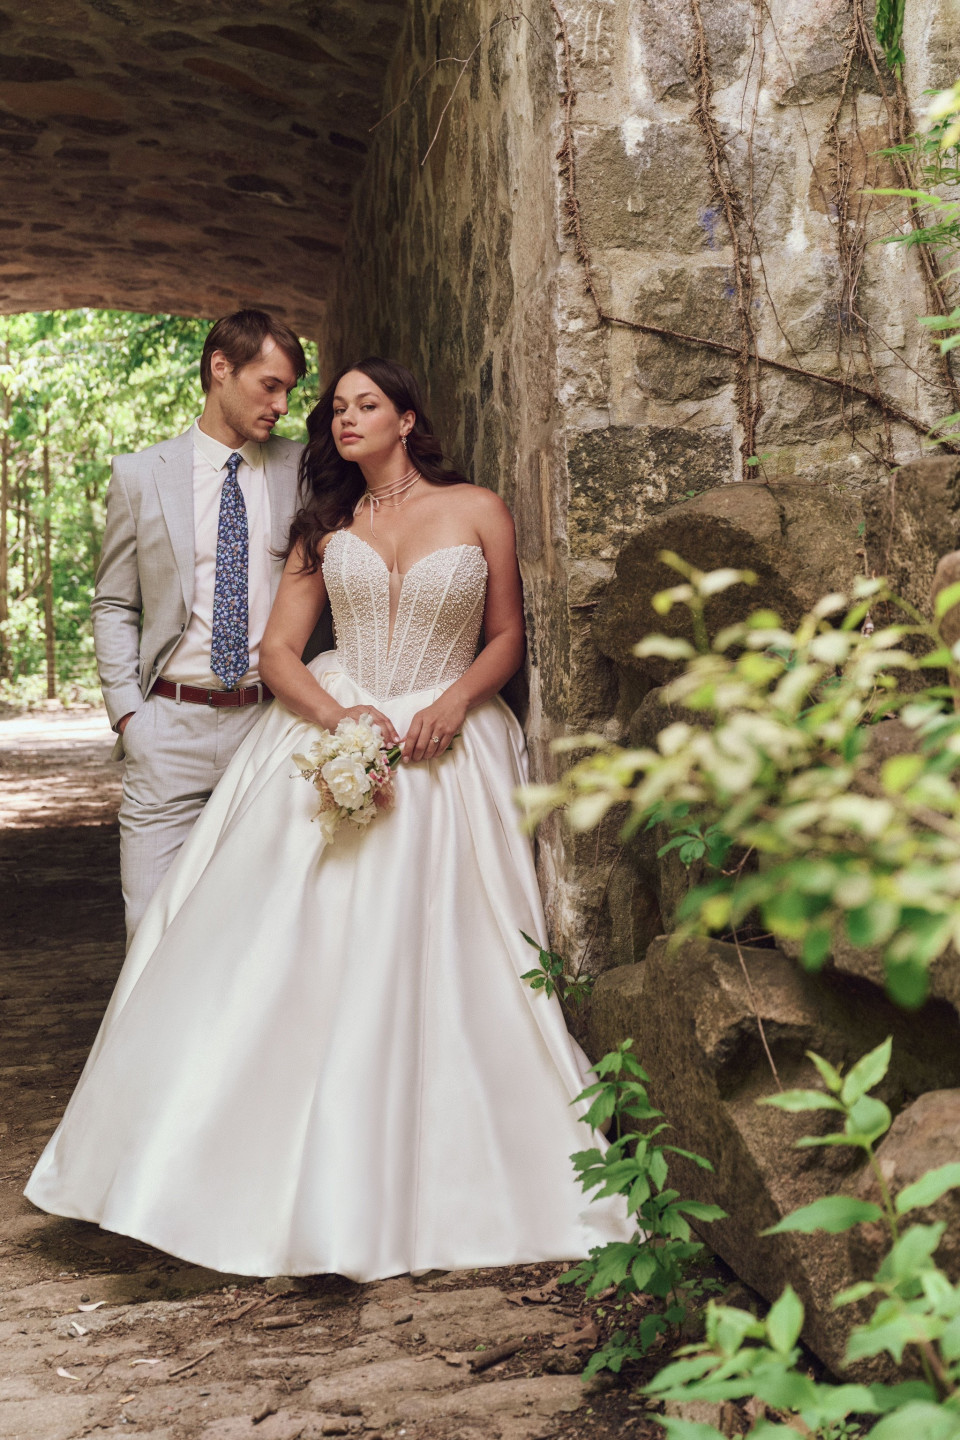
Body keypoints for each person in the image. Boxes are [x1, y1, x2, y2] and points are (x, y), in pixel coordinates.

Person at [25, 359, 633, 1281]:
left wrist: (456, 703)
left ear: (406, 419)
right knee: (271, 945)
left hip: (447, 736)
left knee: (447, 954)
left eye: (365, 405)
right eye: (336, 409)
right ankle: (218, 1168)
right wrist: (343, 718)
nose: (345, 419)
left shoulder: (478, 509)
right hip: (341, 722)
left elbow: (506, 636)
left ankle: (434, 1167)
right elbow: (276, 651)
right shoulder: (324, 528)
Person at [93, 309, 307, 945]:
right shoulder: (140, 475)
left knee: (257, 930)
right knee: (151, 928)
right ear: (221, 369)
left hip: (268, 728)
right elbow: (113, 603)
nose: (281, 403)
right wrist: (129, 716)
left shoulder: (303, 469)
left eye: (290, 390)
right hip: (168, 728)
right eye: (269, 385)